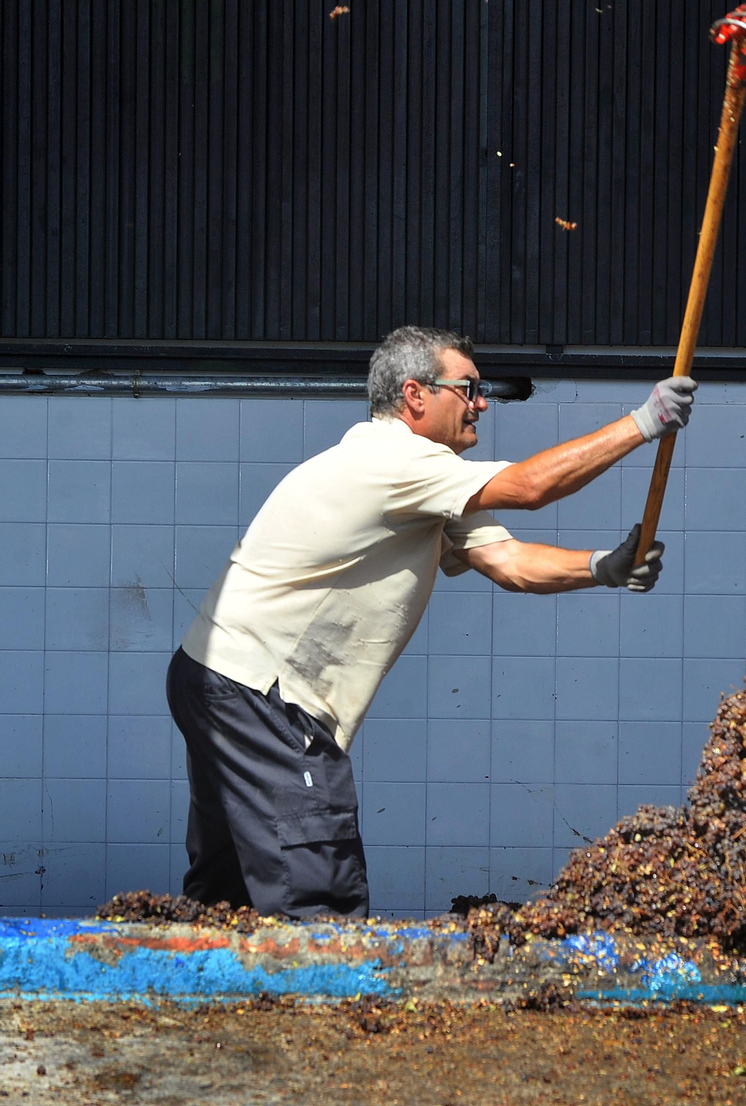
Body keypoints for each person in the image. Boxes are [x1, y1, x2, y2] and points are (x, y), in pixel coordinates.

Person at [167, 326, 695, 918]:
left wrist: (602, 567)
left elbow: (509, 561)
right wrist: (644, 422)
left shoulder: (416, 479)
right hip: (262, 694)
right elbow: (530, 487)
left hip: (216, 677)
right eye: (468, 388)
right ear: (415, 395)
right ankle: (323, 974)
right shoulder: (398, 462)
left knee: (228, 891)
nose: (482, 404)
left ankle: (201, 967)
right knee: (316, 889)